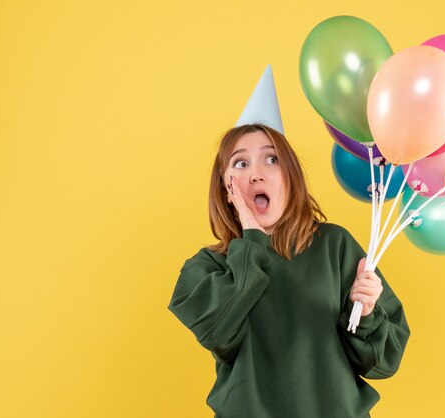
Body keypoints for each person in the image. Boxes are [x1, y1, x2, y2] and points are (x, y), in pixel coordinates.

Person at [168, 66, 411, 418]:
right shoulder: (206, 269)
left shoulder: (335, 247)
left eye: (271, 159)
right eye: (240, 163)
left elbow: (384, 363)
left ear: (290, 176)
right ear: (226, 187)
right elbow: (220, 334)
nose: (256, 173)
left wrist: (367, 314)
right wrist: (251, 239)